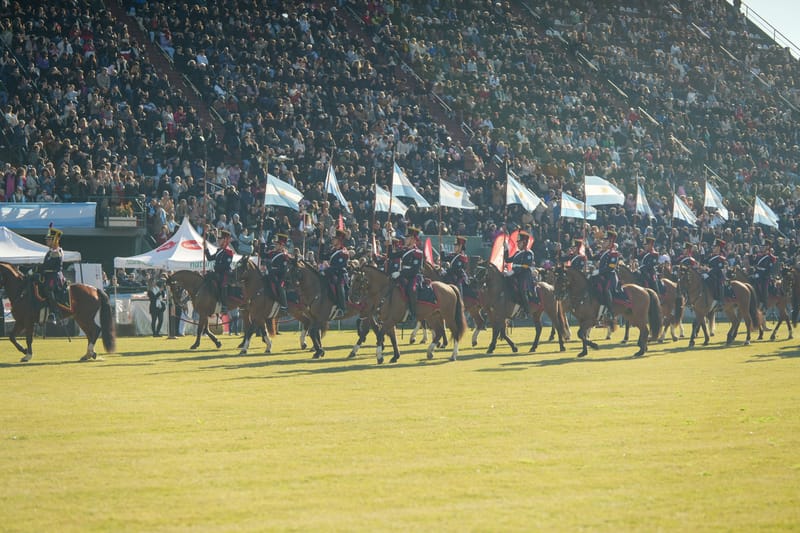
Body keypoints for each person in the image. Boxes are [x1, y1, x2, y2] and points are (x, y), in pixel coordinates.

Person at [391, 227, 424, 323]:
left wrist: (400, 273)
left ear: (413, 239)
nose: (405, 239)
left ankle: (413, 313)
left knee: (411, 290)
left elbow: (414, 270)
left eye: (408, 237)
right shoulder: (404, 250)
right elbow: (391, 255)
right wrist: (389, 241)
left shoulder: (418, 253)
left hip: (414, 277)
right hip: (403, 275)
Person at [503, 231, 536, 309]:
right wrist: (506, 249)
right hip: (515, 274)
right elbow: (507, 260)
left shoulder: (529, 253)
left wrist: (513, 271)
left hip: (524, 275)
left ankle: (526, 309)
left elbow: (526, 265)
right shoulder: (517, 253)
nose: (517, 244)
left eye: (519, 242)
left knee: (522, 290)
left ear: (524, 242)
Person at [596, 229, 624, 321]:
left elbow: (611, 267)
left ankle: (611, 312)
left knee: (606, 289)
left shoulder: (613, 253)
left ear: (611, 242)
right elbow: (593, 257)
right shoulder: (603, 252)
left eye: (605, 241)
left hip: (610, 277)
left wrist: (599, 271)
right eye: (603, 240)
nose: (603, 242)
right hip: (603, 276)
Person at [204, 229, 234, 312]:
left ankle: (224, 305)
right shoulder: (219, 250)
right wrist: (206, 249)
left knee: (223, 284)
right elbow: (210, 258)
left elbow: (226, 265)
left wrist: (216, 268)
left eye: (219, 239)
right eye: (218, 239)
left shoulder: (229, 251)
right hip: (217, 272)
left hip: (225, 273)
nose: (218, 240)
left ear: (224, 240)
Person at [40, 225, 66, 322]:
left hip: (55, 276)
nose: (47, 241)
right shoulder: (49, 252)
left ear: (55, 240)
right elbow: (44, 266)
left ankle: (54, 312)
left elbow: (50, 266)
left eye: (49, 239)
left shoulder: (57, 252)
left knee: (48, 289)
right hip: (47, 276)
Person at [325, 229, 350, 318]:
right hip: (331, 273)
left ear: (339, 240)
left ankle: (342, 308)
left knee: (339, 286)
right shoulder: (332, 250)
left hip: (341, 274)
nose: (332, 240)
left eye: (334, 239)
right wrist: (323, 243)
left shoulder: (343, 252)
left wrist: (329, 268)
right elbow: (322, 256)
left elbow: (341, 266)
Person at [263, 233, 290, 311]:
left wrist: (272, 270)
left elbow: (283, 269)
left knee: (279, 287)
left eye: (277, 244)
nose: (275, 245)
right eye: (275, 244)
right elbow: (263, 255)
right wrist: (262, 243)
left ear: (282, 245)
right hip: (272, 274)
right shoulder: (273, 253)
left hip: (280, 276)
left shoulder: (284, 255)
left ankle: (284, 306)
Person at [752, 239, 776, 310]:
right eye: (761, 246)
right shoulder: (759, 255)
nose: (762, 247)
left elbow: (770, 269)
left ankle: (764, 304)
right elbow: (754, 264)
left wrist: (761, 273)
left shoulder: (771, 257)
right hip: (757, 276)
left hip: (764, 277)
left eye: (764, 246)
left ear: (768, 247)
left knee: (763, 288)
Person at [705, 238, 727, 307]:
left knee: (717, 282)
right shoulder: (711, 256)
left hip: (718, 275)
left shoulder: (721, 258)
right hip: (710, 273)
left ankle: (720, 300)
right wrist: (701, 253)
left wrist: (710, 271)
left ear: (718, 248)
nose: (713, 248)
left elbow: (718, 268)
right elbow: (704, 262)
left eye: (714, 247)